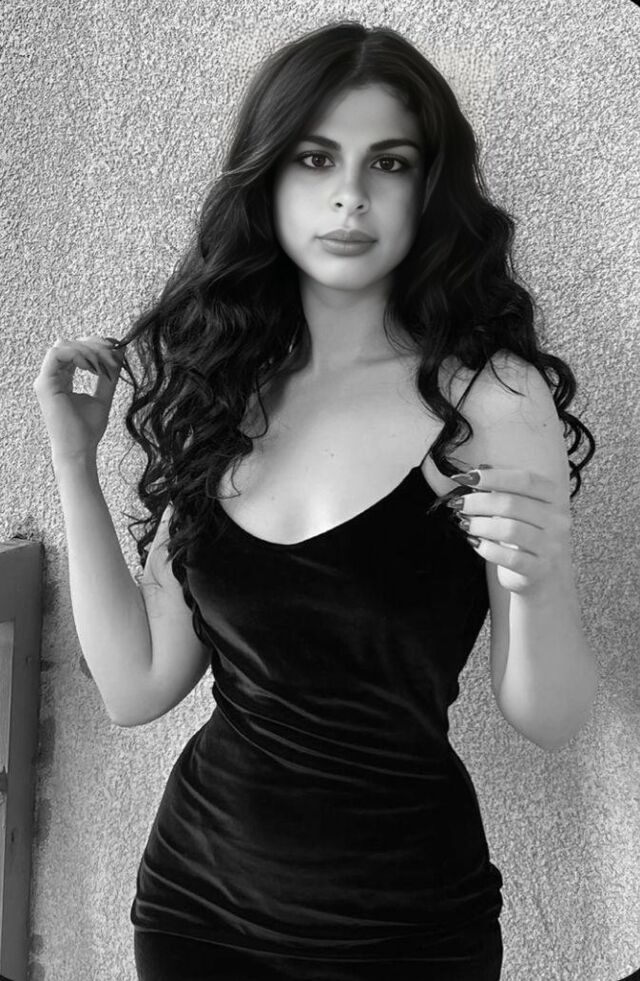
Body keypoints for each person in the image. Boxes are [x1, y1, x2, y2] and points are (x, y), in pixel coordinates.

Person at [33, 20, 599, 981]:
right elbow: (137, 687)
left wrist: (542, 579)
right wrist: (73, 463)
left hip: (407, 929)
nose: (350, 195)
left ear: (430, 187)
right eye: (314, 157)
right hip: (195, 910)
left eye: (390, 162)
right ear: (267, 181)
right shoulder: (225, 391)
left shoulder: (490, 400)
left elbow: (550, 717)